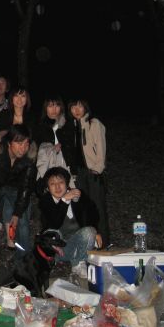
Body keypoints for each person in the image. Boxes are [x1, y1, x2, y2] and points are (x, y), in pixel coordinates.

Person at [0, 124, 36, 264]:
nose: (23, 148)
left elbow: (26, 187)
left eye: (26, 143)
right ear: (9, 143)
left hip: (15, 189)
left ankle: (23, 260)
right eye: (19, 143)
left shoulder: (28, 158)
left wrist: (17, 213)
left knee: (22, 222)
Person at [36, 166, 101, 278]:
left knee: (90, 231)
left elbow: (93, 214)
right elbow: (55, 224)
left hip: (79, 244)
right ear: (48, 188)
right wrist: (64, 200)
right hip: (59, 249)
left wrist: (97, 232)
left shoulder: (78, 195)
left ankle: (78, 263)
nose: (57, 187)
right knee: (50, 234)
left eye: (61, 182)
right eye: (52, 184)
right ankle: (56, 263)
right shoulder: (45, 201)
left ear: (67, 184)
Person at [67, 98, 109, 246]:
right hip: (79, 174)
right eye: (73, 107)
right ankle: (87, 245)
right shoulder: (72, 126)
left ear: (85, 107)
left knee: (98, 209)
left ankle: (103, 245)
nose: (77, 110)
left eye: (80, 106)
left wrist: (97, 169)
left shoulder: (94, 123)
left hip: (93, 172)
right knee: (83, 210)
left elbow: (101, 148)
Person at [35, 95, 74, 181]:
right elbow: (37, 149)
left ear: (61, 107)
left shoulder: (68, 124)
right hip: (48, 166)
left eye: (57, 105)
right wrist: (52, 149)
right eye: (50, 106)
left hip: (67, 164)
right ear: (45, 108)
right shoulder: (40, 127)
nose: (54, 109)